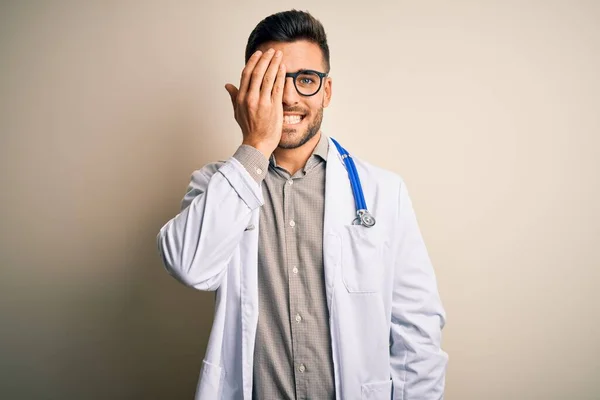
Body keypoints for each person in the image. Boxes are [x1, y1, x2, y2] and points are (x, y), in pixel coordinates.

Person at [157, 9, 447, 400]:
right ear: (249, 92)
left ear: (326, 91)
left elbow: (418, 333)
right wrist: (255, 146)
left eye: (306, 80)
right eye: (273, 82)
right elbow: (189, 266)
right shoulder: (216, 186)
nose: (290, 97)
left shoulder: (384, 192)